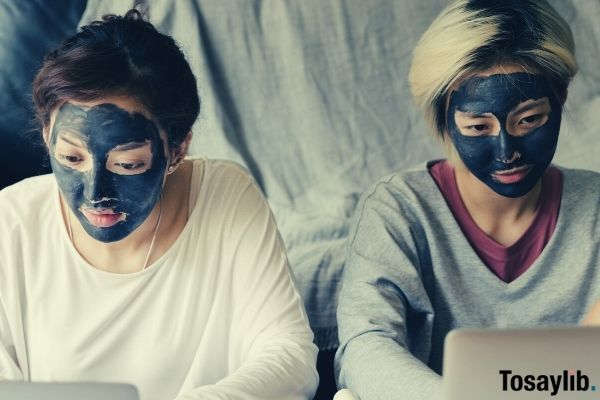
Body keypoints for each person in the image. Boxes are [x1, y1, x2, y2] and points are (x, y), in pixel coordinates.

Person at [0, 10, 318, 400]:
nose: (97, 192)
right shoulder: (12, 220)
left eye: (128, 164)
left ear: (177, 149)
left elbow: (290, 356)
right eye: (71, 159)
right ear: (48, 134)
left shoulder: (225, 196)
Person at [335, 1, 600, 399]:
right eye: (478, 126)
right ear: (444, 120)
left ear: (560, 100)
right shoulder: (399, 210)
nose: (507, 150)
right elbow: (364, 345)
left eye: (529, 120)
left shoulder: (595, 209)